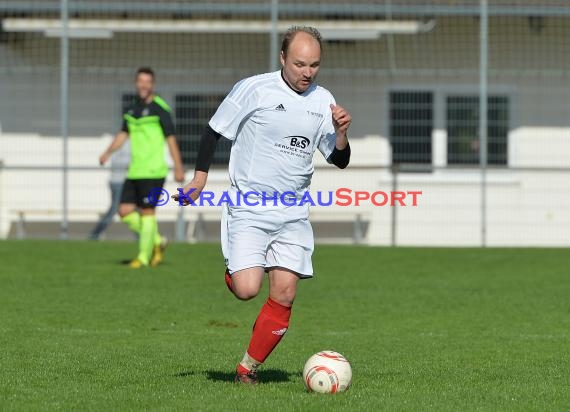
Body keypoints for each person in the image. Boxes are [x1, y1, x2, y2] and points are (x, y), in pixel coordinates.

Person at [174, 26, 352, 383]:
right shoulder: (254, 88)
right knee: (247, 290)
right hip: (250, 208)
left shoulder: (323, 100)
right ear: (283, 58)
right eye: (300, 63)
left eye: (314, 65)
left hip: (293, 212)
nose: (307, 72)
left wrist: (342, 133)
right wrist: (199, 178)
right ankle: (235, 270)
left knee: (285, 294)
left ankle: (247, 369)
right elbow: (214, 130)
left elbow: (340, 159)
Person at [100, 67, 185, 268]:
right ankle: (157, 241)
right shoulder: (132, 110)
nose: (144, 85)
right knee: (124, 211)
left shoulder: (160, 108)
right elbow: (123, 134)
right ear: (136, 83)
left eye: (148, 81)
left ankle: (143, 257)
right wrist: (107, 152)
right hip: (135, 170)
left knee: (148, 211)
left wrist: (178, 166)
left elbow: (171, 139)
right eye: (141, 81)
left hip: (154, 170)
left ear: (152, 84)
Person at [89, 142, 130, 240]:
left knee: (132, 210)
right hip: (119, 182)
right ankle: (95, 234)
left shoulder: (129, 143)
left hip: (124, 181)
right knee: (114, 209)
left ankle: (142, 236)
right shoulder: (124, 143)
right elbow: (120, 162)